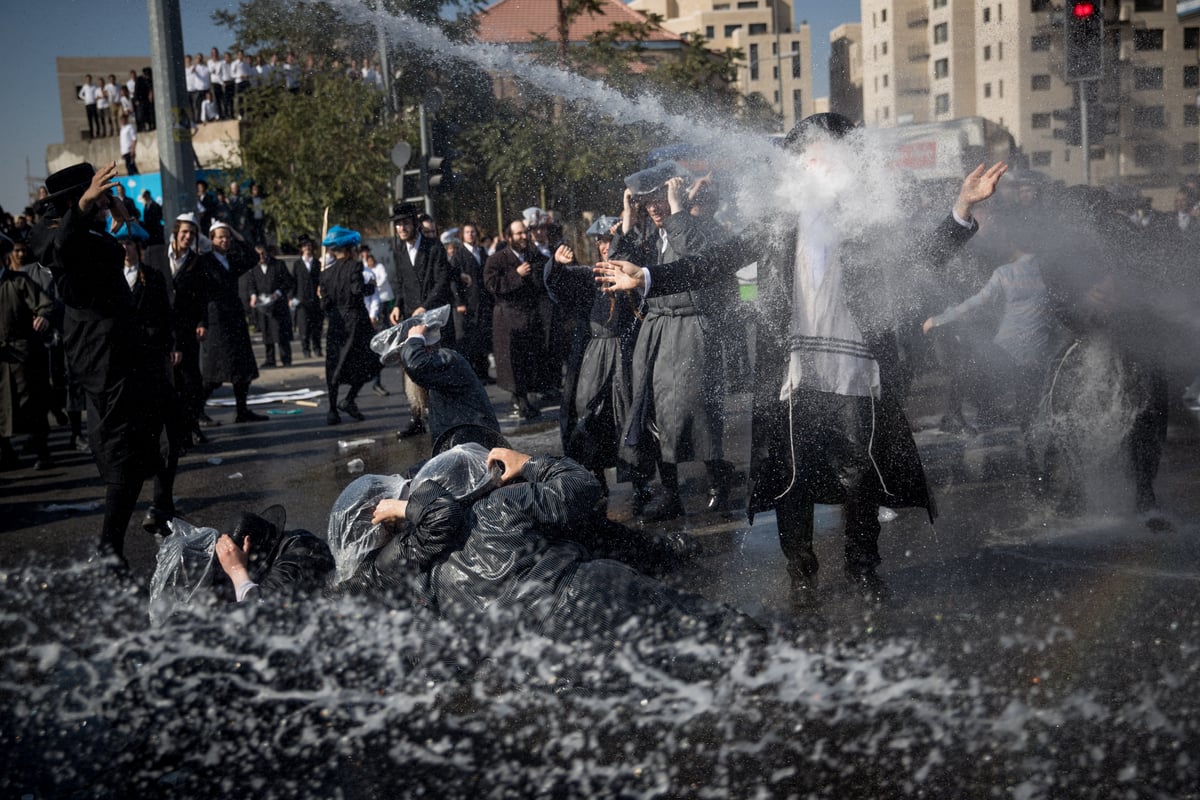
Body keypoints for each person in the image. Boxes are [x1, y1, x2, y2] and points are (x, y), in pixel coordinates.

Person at [597, 113, 1007, 610]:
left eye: (825, 150)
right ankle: (802, 573)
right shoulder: (779, 218)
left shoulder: (869, 218)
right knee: (792, 477)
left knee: (861, 478)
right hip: (792, 370)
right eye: (806, 152)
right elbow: (716, 262)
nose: (814, 160)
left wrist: (962, 208)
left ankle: (863, 567)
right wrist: (645, 276)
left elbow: (918, 259)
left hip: (856, 368)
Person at [344, 439, 759, 656]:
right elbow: (583, 489)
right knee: (717, 630)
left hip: (545, 648)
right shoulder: (499, 504)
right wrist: (529, 463)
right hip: (595, 592)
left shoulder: (425, 576)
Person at [30, 162, 165, 567]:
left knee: (157, 433)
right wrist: (87, 205)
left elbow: (129, 238)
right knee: (121, 455)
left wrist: (118, 214)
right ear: (76, 200)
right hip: (101, 359)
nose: (106, 199)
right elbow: (58, 250)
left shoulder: (90, 227)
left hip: (127, 350)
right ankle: (109, 551)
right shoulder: (54, 231)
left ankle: (161, 510)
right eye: (98, 193)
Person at [608, 163, 732, 521]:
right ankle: (671, 493)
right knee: (654, 414)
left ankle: (718, 484)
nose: (654, 209)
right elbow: (623, 265)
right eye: (647, 204)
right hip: (658, 330)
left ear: (674, 195)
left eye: (659, 200)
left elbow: (696, 255)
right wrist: (628, 219)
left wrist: (678, 207)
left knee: (698, 411)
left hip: (692, 328)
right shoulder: (650, 234)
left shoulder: (696, 228)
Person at [545, 215, 644, 501]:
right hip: (594, 355)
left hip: (626, 354)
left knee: (629, 416)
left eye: (609, 240)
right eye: (600, 240)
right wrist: (558, 266)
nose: (603, 245)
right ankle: (595, 480)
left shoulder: (633, 272)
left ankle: (639, 484)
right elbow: (559, 288)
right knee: (587, 412)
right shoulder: (590, 275)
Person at [387, 204, 457, 436]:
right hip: (410, 319)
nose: (401, 228)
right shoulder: (398, 251)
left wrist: (425, 306)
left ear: (415, 224)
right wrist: (397, 305)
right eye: (398, 224)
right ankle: (416, 416)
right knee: (410, 366)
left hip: (433, 318)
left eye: (405, 223)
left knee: (436, 365)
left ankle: (443, 416)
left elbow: (442, 282)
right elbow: (399, 283)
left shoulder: (433, 248)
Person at [195, 221, 268, 424]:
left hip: (235, 319)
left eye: (227, 237)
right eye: (220, 237)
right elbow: (200, 294)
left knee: (241, 369)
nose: (225, 240)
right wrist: (201, 321)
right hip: (216, 320)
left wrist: (236, 233)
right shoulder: (205, 261)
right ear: (212, 239)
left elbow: (253, 257)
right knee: (213, 374)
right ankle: (197, 411)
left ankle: (242, 410)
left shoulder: (232, 260)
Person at [391, 314, 500, 443]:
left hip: (475, 441)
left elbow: (415, 365)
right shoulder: (437, 370)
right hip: (462, 440)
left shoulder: (448, 360)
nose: (403, 366)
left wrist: (415, 338)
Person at [0, 232, 54, 471]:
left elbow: (45, 303)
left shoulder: (19, 282)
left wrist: (42, 316)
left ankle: (42, 451)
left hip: (22, 355)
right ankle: (7, 453)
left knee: (31, 403)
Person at [484, 218, 547, 421]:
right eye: (518, 233)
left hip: (528, 316)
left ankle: (524, 399)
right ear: (508, 237)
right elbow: (492, 285)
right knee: (512, 362)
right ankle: (518, 400)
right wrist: (516, 275)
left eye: (524, 233)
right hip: (507, 319)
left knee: (528, 360)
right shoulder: (497, 259)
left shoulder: (532, 256)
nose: (523, 237)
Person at [320, 226, 381, 425]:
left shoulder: (325, 274)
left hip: (336, 324)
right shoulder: (354, 266)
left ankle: (332, 410)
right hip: (356, 322)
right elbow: (357, 290)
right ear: (349, 248)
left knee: (334, 364)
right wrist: (371, 285)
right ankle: (349, 399)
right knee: (371, 361)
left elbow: (325, 304)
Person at [214, 506, 335, 603]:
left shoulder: (298, 558)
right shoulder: (281, 543)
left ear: (248, 544)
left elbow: (258, 610)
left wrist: (237, 570)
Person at [247, 243, 295, 368]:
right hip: (263, 306)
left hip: (278, 304)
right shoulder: (253, 268)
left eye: (263, 253)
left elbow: (288, 282)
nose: (261, 257)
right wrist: (253, 295)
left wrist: (278, 293)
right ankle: (270, 359)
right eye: (258, 255)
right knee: (267, 332)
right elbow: (251, 285)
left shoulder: (278, 265)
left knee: (281, 332)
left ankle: (286, 359)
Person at [292, 235, 323, 358]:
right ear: (302, 249)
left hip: (315, 300)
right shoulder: (298, 264)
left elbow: (321, 280)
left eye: (309, 246)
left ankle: (317, 348)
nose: (307, 248)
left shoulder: (317, 263)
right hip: (302, 301)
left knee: (317, 327)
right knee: (304, 328)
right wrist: (292, 297)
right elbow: (293, 282)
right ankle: (306, 349)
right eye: (305, 246)